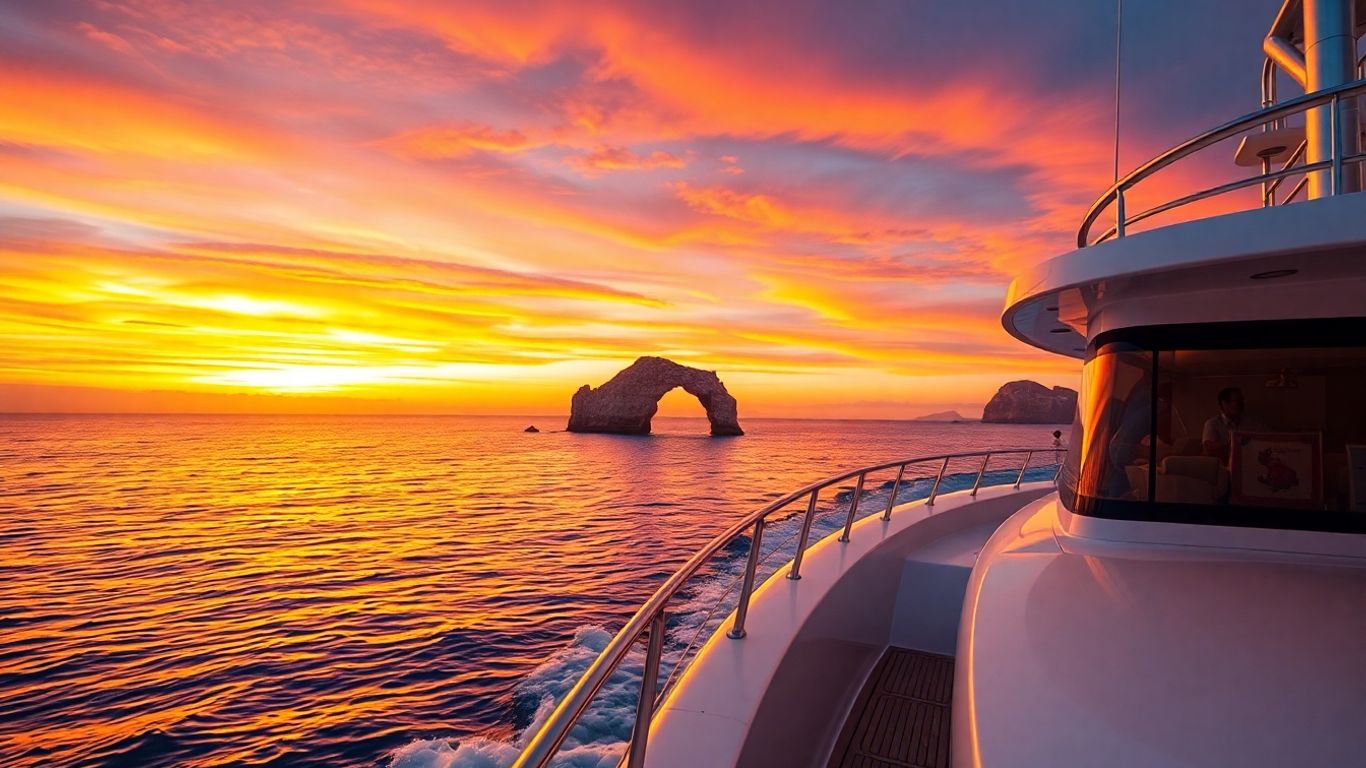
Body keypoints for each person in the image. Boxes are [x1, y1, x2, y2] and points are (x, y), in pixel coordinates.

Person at [1202, 387, 1260, 465]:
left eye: (1241, 400)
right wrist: (1234, 443)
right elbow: (1208, 448)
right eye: (1237, 400)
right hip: (1224, 467)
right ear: (1224, 403)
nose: (1241, 403)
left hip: (1248, 465)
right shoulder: (1213, 424)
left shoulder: (1249, 422)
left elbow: (1268, 436)